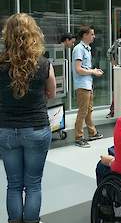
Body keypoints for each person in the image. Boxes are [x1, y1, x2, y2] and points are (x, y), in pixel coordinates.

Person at [0, 13, 56, 223]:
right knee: (33, 184)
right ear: (33, 34)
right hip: (36, 128)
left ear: (8, 35)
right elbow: (51, 93)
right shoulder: (44, 64)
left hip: (6, 129)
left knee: (13, 184)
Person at [72, 25, 104, 148]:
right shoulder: (79, 49)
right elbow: (78, 69)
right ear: (85, 35)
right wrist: (93, 72)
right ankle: (78, 137)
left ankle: (92, 133)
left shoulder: (87, 49)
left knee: (89, 110)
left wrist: (93, 70)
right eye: (91, 34)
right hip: (82, 85)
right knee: (83, 111)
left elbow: (84, 68)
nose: (93, 36)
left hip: (88, 84)